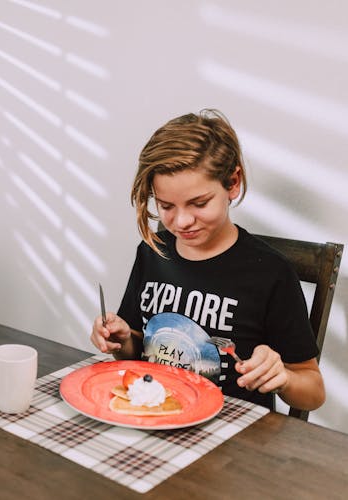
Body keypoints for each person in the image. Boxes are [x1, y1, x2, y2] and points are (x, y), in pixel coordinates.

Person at [90, 109, 325, 411]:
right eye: (166, 206)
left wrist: (283, 378)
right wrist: (122, 341)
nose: (182, 221)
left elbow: (314, 391)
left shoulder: (270, 273)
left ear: (233, 182)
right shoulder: (152, 251)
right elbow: (138, 346)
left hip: (231, 437)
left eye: (199, 203)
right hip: (156, 415)